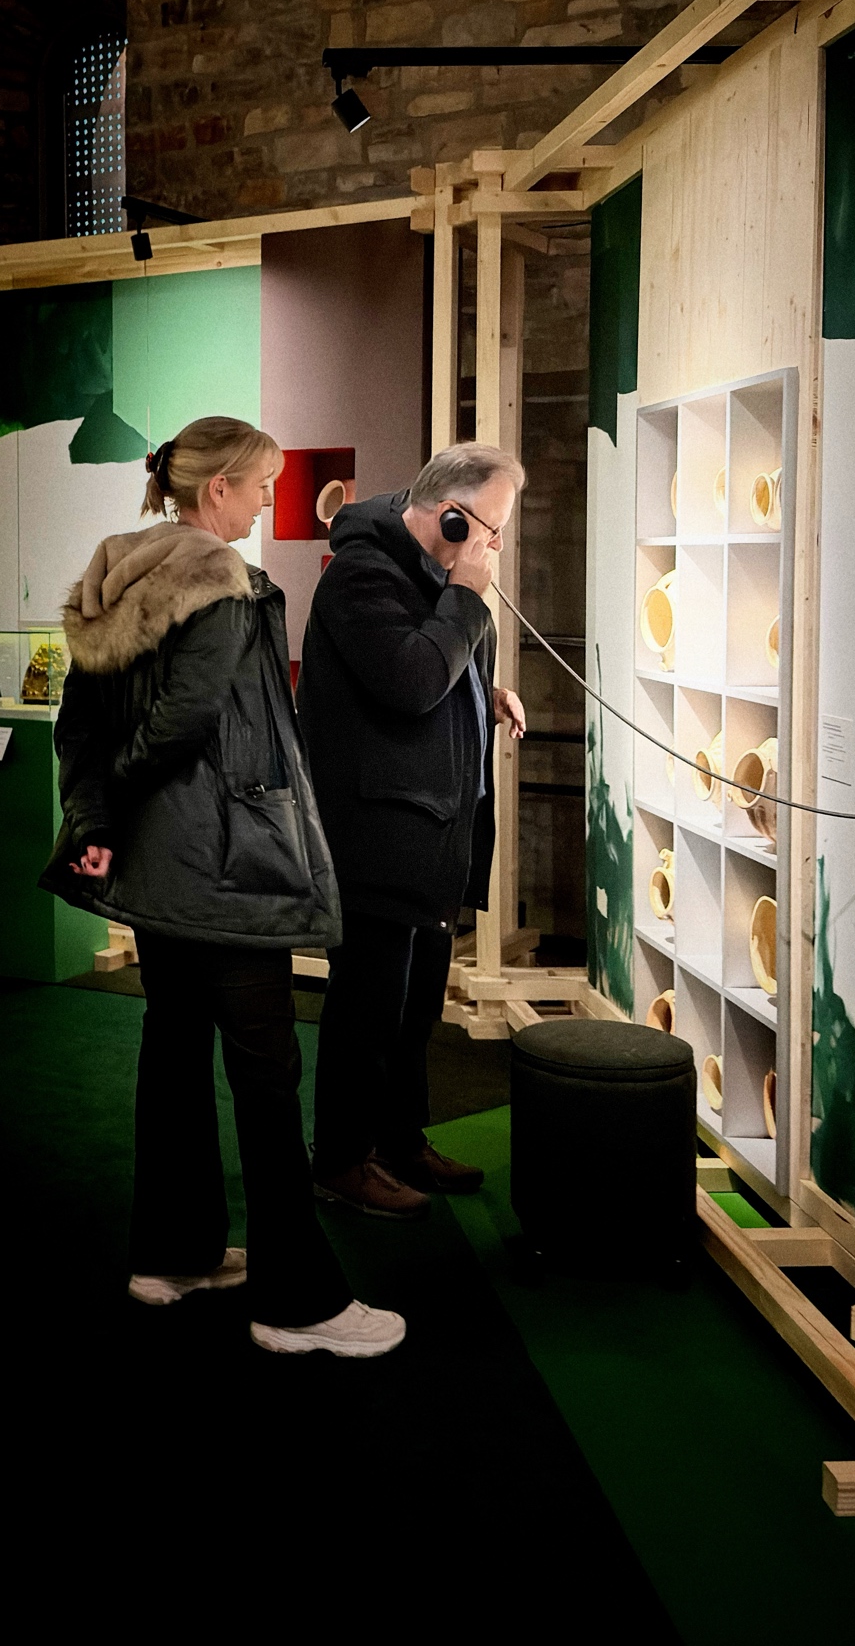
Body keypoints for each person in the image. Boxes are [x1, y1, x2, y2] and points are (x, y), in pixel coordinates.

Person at [40, 414, 404, 1358]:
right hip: (230, 865)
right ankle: (299, 1303)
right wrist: (130, 789)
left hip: (158, 871)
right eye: (260, 487)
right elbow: (184, 720)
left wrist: (104, 817)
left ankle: (173, 1256)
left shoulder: (117, 577)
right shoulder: (226, 587)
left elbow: (79, 728)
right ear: (217, 490)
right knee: (267, 1073)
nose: (268, 504)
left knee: (172, 1048)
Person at [298, 443, 527, 1220]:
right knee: (367, 1007)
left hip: (431, 829)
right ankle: (341, 1158)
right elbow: (408, 679)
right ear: (451, 516)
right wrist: (465, 595)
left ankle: (398, 1138)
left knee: (416, 1003)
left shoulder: (432, 572)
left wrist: (486, 690)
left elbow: (434, 667)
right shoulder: (362, 576)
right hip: (378, 835)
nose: (496, 545)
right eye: (491, 528)